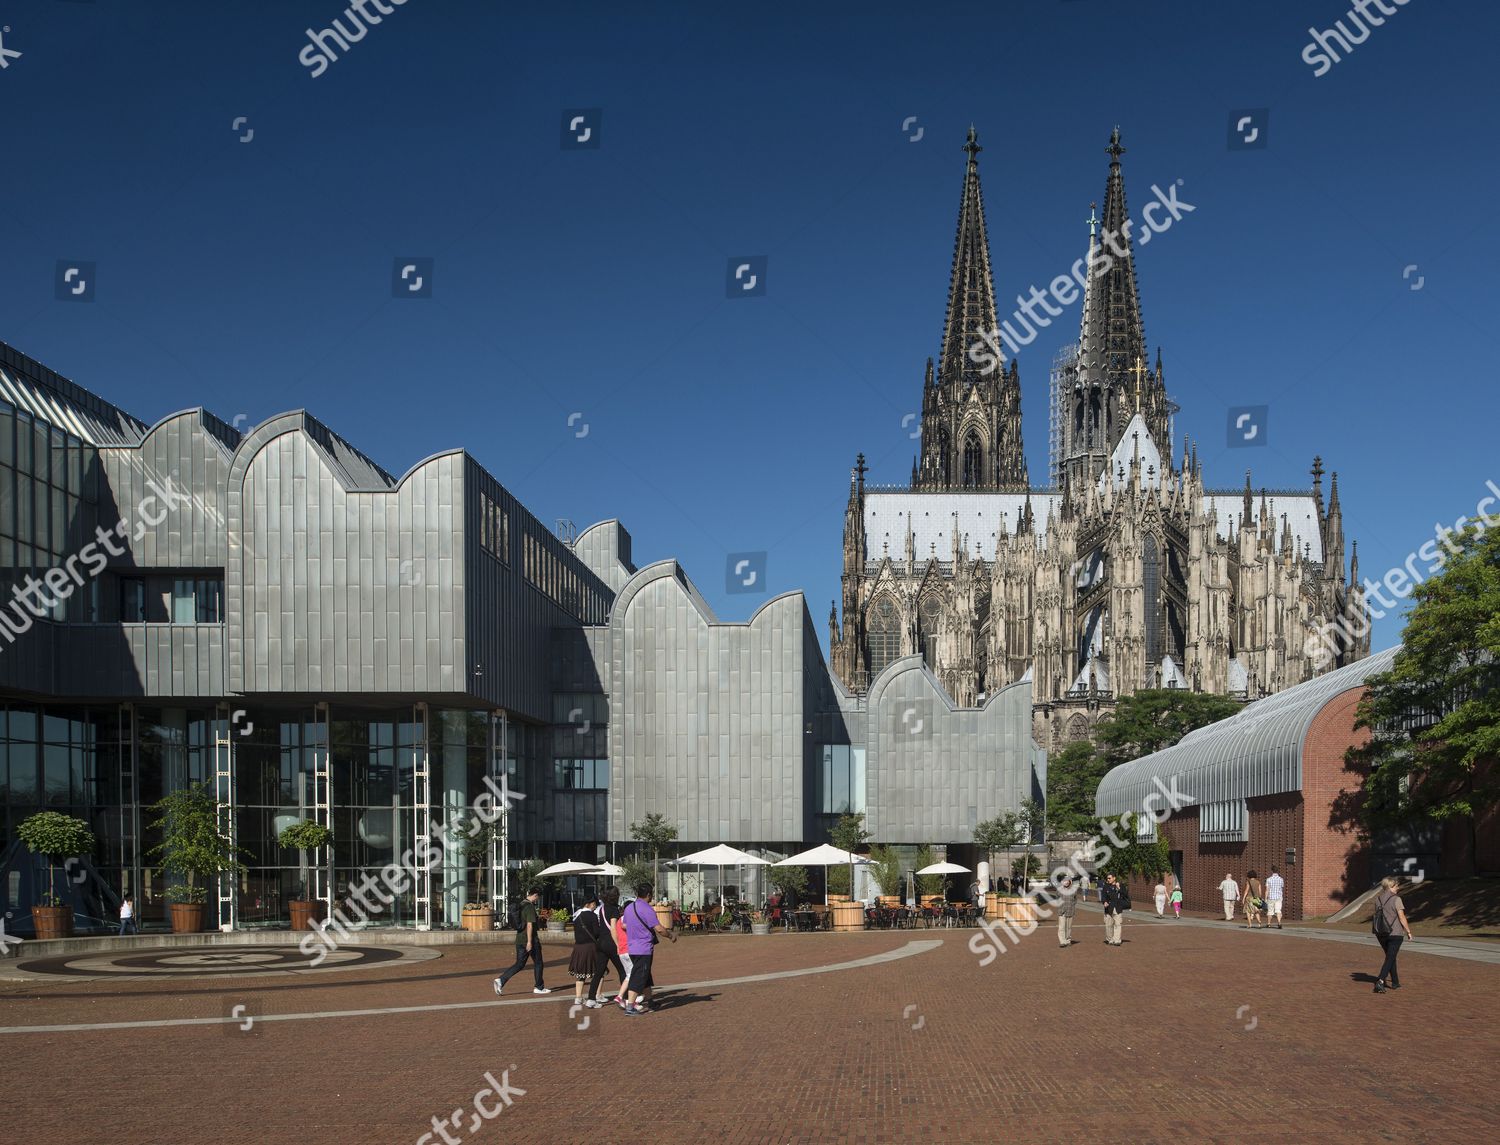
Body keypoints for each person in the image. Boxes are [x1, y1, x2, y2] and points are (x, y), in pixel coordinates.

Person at [621, 882, 676, 1015]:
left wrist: (636, 930)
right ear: (648, 895)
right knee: (638, 977)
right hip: (643, 948)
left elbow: (624, 925)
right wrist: (670, 936)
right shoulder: (647, 909)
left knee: (646, 976)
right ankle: (630, 1006)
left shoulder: (629, 908)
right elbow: (659, 929)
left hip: (632, 947)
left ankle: (650, 1001)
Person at [493, 888, 550, 996]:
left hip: (519, 939)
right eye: (538, 897)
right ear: (535, 895)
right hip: (530, 940)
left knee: (519, 964)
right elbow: (529, 925)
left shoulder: (521, 904)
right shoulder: (529, 907)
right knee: (538, 963)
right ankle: (539, 987)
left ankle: (501, 980)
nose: (537, 899)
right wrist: (529, 941)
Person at [1371, 876, 1414, 994]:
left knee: (1391, 956)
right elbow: (1401, 917)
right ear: (1390, 886)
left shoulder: (1378, 899)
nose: (1398, 888)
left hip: (1381, 933)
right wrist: (1408, 931)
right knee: (1390, 957)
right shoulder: (1396, 899)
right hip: (1395, 933)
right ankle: (1380, 981)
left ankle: (1395, 982)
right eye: (1396, 886)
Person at [592, 887, 629, 1005]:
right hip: (611, 943)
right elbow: (613, 928)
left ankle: (590, 998)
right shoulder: (614, 909)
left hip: (600, 942)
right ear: (615, 896)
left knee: (598, 972)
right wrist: (618, 944)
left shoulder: (602, 908)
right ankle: (625, 997)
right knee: (623, 970)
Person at [568, 894, 604, 1009]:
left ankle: (578, 997)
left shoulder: (577, 915)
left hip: (578, 947)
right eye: (595, 905)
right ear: (592, 903)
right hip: (590, 947)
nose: (595, 907)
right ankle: (597, 995)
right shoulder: (592, 916)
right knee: (599, 972)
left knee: (581, 974)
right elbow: (597, 932)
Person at [1100, 872, 1130, 946]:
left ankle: (1117, 940)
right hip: (1108, 908)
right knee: (1108, 925)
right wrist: (1104, 902)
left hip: (1118, 908)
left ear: (1114, 878)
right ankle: (1110, 939)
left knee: (1118, 924)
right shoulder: (1106, 886)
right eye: (1107, 878)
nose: (1108, 879)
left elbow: (1126, 895)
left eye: (1109, 878)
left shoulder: (1120, 885)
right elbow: (1103, 896)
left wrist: (1119, 888)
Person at [1054, 874, 1078, 947]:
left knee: (1068, 927)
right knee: (1061, 927)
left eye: (1067, 880)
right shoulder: (1059, 890)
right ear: (1062, 882)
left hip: (1070, 910)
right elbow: (1057, 898)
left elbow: (1075, 899)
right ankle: (1062, 941)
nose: (1066, 882)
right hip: (1062, 911)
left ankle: (1067, 940)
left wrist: (1072, 905)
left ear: (1070, 881)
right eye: (1064, 881)